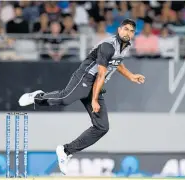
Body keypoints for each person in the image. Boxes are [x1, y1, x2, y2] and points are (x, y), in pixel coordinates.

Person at [17, 19, 145, 175]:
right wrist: (94, 100)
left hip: (97, 85)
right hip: (85, 77)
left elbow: (116, 63)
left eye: (131, 31)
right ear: (119, 29)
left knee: (102, 127)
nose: (128, 33)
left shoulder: (124, 46)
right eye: (125, 29)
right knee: (65, 99)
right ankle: (37, 97)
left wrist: (130, 76)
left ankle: (65, 151)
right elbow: (101, 74)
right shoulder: (108, 46)